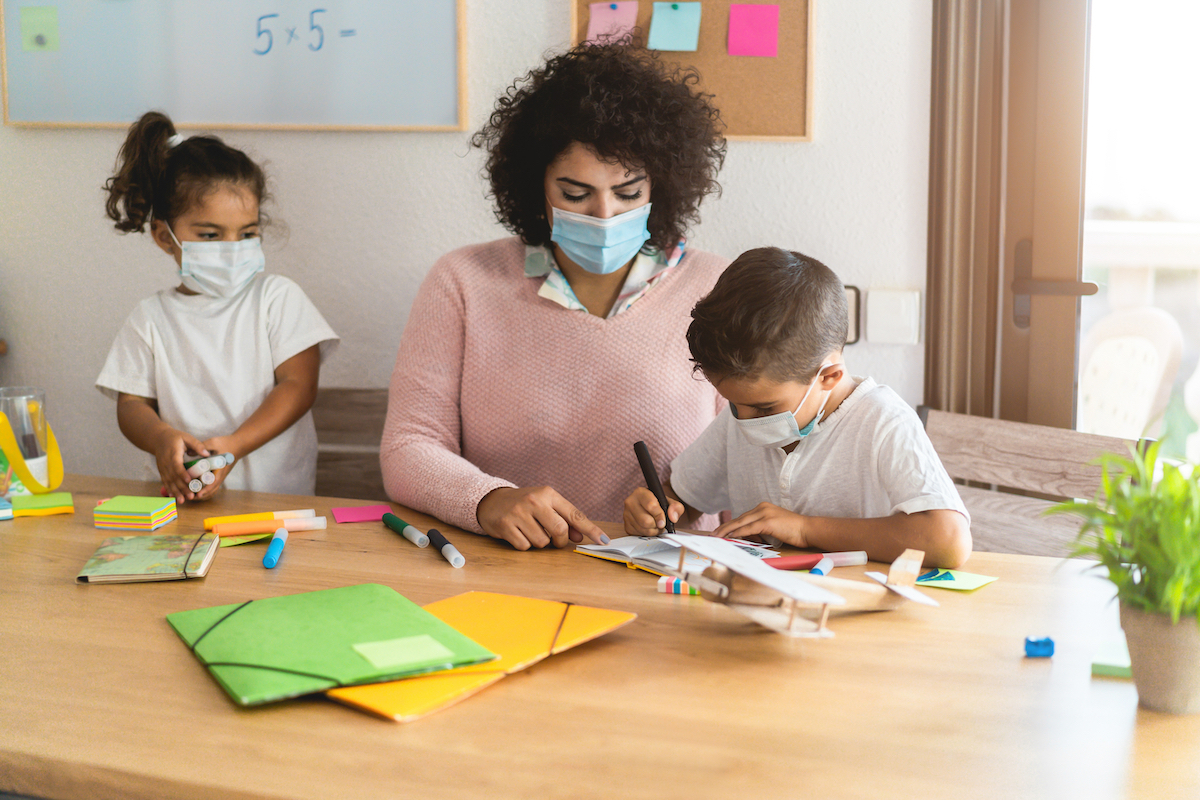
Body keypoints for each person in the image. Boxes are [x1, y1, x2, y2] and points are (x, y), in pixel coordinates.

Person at [381, 41, 728, 550]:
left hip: (672, 581)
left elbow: (763, 455)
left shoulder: (719, 289)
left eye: (628, 194)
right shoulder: (462, 281)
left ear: (662, 187)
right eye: (575, 194)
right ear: (534, 188)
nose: (604, 215)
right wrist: (488, 500)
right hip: (504, 571)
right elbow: (409, 447)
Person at [623, 247, 972, 568]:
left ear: (829, 376)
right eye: (733, 404)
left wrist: (804, 530)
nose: (744, 421)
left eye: (763, 409)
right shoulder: (740, 418)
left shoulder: (882, 421)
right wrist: (655, 510)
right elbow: (683, 500)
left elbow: (949, 541)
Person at [96, 111, 338, 502]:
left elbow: (299, 385)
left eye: (247, 233)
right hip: (183, 503)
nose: (231, 248)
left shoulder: (278, 298)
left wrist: (233, 447)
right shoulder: (150, 318)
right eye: (210, 234)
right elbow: (132, 405)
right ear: (164, 237)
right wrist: (161, 439)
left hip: (277, 503)